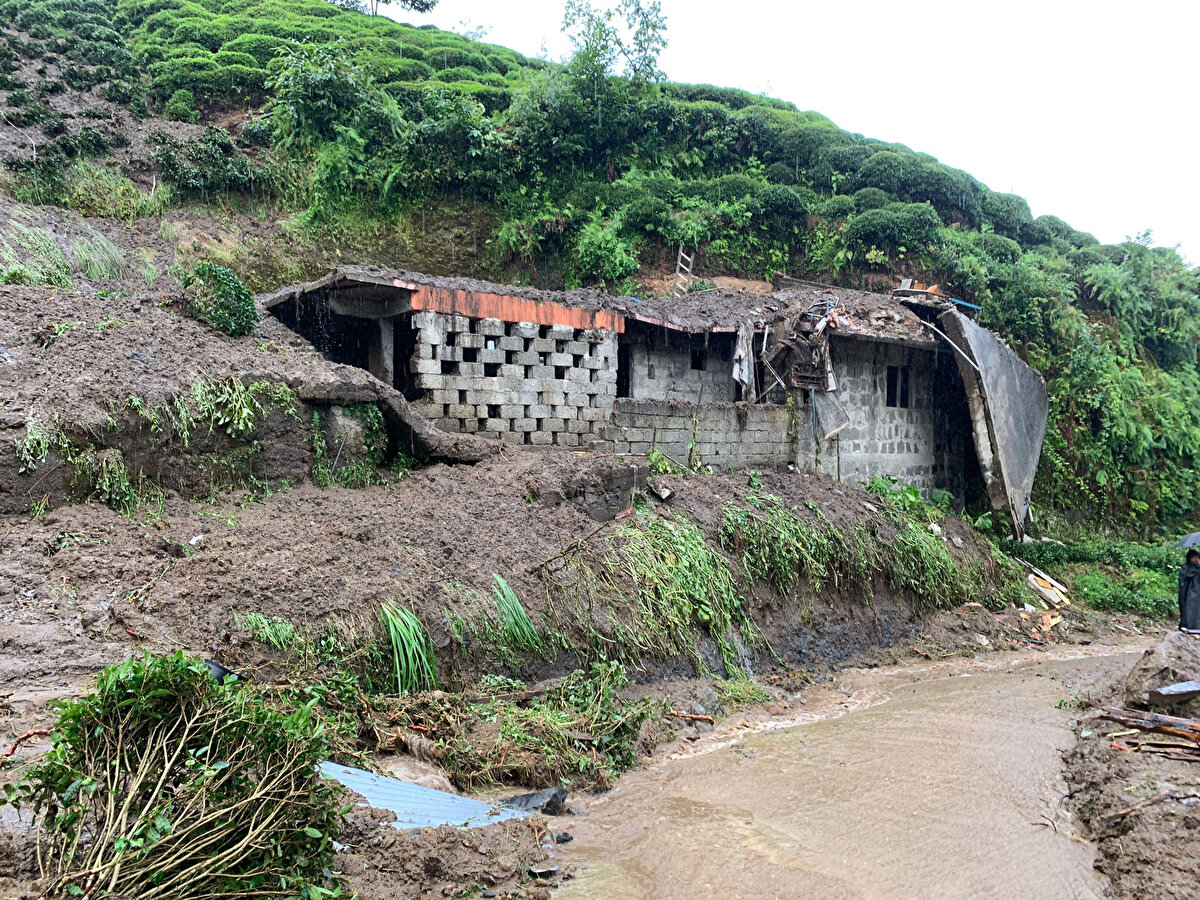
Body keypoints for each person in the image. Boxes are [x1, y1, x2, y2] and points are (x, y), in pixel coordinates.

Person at [1179, 549, 1200, 633]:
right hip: (1188, 592)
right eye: (1193, 558)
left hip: (1197, 592)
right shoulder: (1185, 568)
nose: (1195, 559)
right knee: (1188, 609)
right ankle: (1188, 626)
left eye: (1196, 557)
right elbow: (1182, 582)